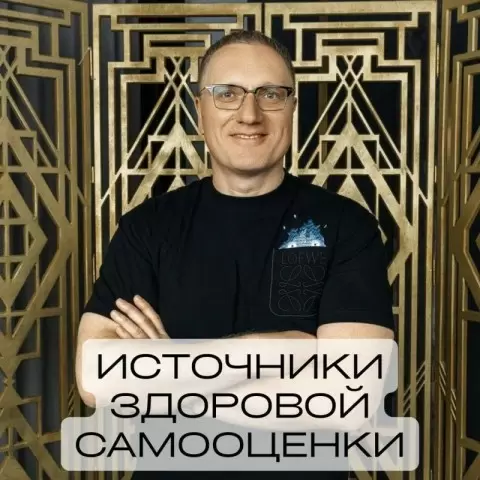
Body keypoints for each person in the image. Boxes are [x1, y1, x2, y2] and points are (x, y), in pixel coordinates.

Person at [75, 30, 395, 479]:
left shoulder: (347, 227)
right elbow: (96, 380)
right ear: (199, 110)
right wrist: (277, 352)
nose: (249, 114)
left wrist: (170, 374)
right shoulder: (146, 228)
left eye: (271, 94)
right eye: (226, 93)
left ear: (292, 107)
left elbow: (351, 399)